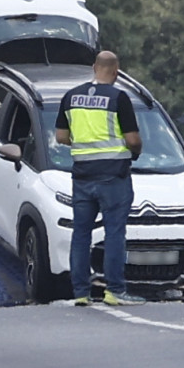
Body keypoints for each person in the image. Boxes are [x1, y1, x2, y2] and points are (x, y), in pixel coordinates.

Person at [55, 50, 146, 306]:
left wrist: (84, 144)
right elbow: (132, 140)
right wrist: (136, 150)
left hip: (82, 177)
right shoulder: (119, 97)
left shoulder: (71, 96)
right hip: (113, 177)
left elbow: (61, 137)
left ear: (95, 67)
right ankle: (114, 291)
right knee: (114, 233)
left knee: (81, 234)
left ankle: (81, 293)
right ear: (116, 71)